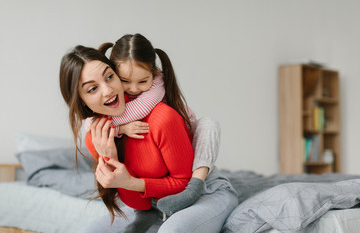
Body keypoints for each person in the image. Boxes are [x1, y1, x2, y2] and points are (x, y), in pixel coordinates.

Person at [59, 41, 238, 233]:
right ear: (81, 102)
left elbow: (183, 186)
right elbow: (140, 205)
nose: (108, 90)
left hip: (203, 193)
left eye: (110, 77)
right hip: (154, 208)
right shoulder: (96, 138)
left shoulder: (162, 118)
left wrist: (129, 182)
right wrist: (111, 159)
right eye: (92, 89)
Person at [83, 33, 221, 217]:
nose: (133, 89)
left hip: (194, 167)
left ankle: (196, 184)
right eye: (125, 81)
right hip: (156, 201)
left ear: (153, 74)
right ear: (113, 75)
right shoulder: (99, 133)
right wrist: (115, 135)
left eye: (142, 81)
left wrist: (110, 125)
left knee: (209, 125)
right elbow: (89, 124)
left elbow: (137, 110)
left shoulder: (155, 90)